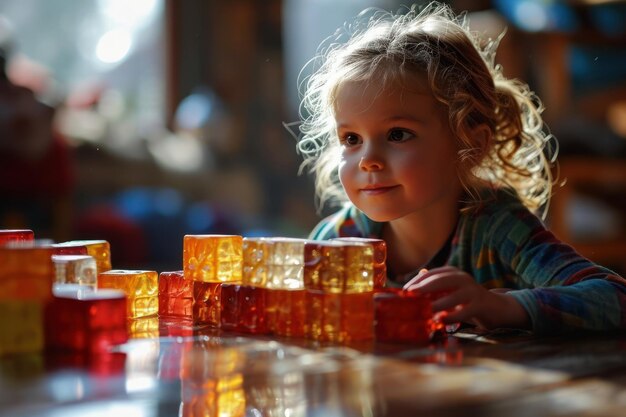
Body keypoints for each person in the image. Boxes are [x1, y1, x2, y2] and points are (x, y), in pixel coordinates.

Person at [295, 2, 626, 335]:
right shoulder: (339, 241)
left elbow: (615, 298)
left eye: (397, 134)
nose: (368, 159)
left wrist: (502, 306)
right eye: (351, 138)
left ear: (471, 145)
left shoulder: (499, 229)